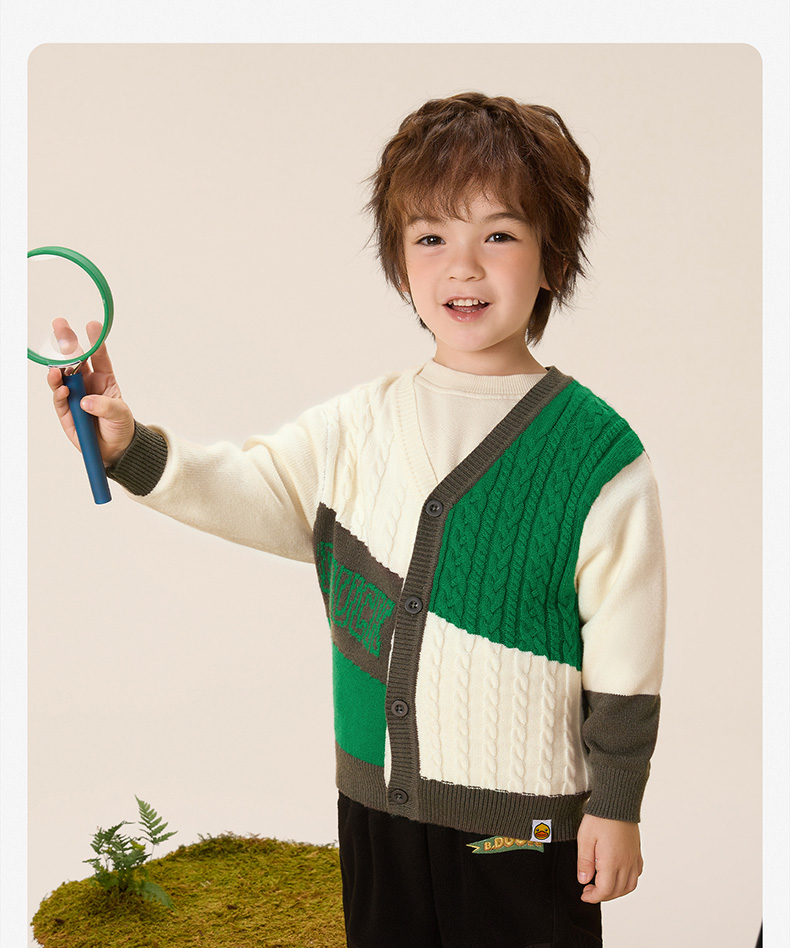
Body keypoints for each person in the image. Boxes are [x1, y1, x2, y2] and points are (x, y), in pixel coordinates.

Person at [47, 92, 666, 948]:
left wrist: (617, 805)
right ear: (400, 264)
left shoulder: (597, 453)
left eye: (498, 235)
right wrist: (128, 446)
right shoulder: (356, 426)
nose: (462, 267)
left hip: (521, 827)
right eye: (430, 238)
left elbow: (628, 648)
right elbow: (250, 487)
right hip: (376, 806)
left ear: (552, 257)